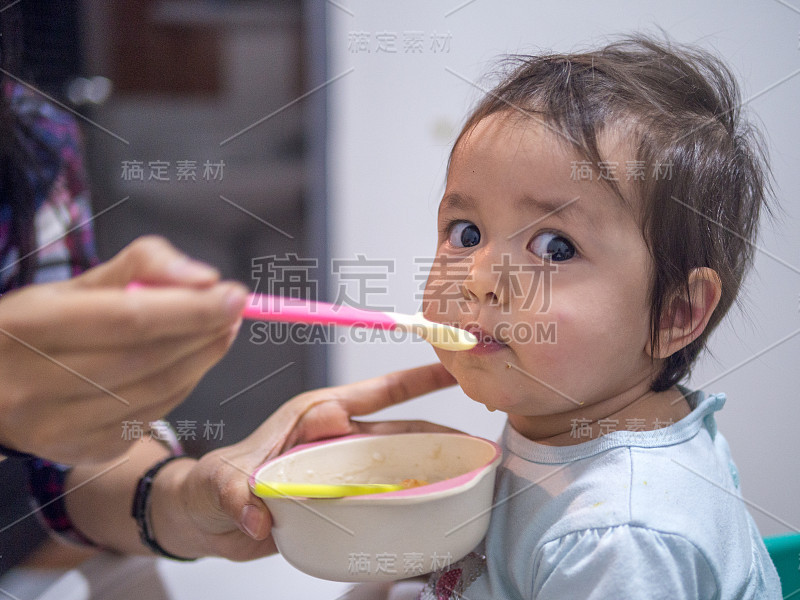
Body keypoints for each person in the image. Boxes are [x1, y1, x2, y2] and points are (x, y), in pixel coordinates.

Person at [406, 35, 779, 598]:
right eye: (467, 234)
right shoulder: (574, 414)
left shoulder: (620, 538)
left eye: (554, 248)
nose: (479, 277)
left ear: (675, 312)